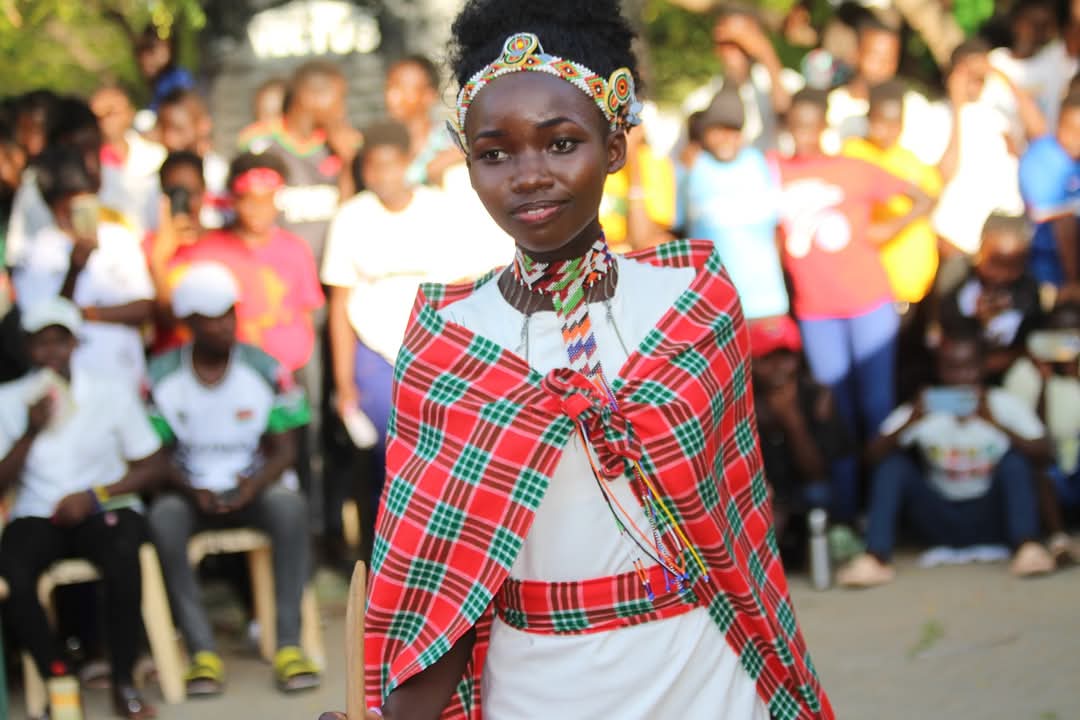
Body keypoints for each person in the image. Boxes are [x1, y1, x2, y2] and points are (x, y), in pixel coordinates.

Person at [345, 2, 831, 717]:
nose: (528, 175)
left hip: (704, 674)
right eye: (495, 152)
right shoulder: (447, 338)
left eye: (561, 142)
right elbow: (440, 586)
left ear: (614, 146)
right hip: (537, 686)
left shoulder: (692, 299)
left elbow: (731, 523)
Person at [146, 263, 320, 697]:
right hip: (190, 494)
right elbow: (156, 458)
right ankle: (201, 651)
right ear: (188, 324)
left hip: (253, 487)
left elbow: (285, 449)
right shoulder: (160, 376)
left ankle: (288, 645)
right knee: (163, 516)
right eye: (211, 317)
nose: (224, 325)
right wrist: (191, 490)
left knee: (289, 507)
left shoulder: (264, 367)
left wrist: (250, 487)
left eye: (229, 313)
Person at [0, 296, 165, 719]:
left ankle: (124, 679)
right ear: (27, 348)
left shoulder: (110, 391)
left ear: (75, 343)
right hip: (37, 512)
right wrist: (29, 430)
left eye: (60, 341)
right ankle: (58, 675)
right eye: (40, 343)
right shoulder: (9, 399)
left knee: (125, 556)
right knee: (13, 569)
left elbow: (151, 464)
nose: (51, 352)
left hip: (101, 506)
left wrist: (94, 497)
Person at [778, 88, 933, 524]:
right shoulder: (775, 171)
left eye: (812, 125)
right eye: (797, 125)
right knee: (836, 415)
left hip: (869, 305)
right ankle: (848, 516)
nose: (804, 134)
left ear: (825, 126)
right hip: (817, 312)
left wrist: (890, 229)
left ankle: (887, 513)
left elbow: (924, 198)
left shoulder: (855, 169)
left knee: (877, 409)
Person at [321, 121, 456, 542]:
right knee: (387, 457)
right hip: (374, 355)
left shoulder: (439, 208)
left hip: (435, 350)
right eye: (373, 168)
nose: (383, 176)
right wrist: (344, 383)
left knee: (439, 455)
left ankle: (438, 547)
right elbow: (340, 304)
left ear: (406, 163)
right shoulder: (352, 216)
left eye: (391, 165)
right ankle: (388, 550)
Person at [838, 326, 1055, 588]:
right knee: (894, 466)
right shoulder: (925, 407)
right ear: (939, 370)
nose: (961, 378)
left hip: (991, 515)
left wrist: (996, 424)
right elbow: (871, 458)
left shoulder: (1001, 404)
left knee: (1015, 463)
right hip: (939, 518)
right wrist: (911, 421)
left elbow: (1045, 453)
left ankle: (1028, 547)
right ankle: (875, 558)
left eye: (969, 368)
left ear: (983, 368)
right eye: (952, 369)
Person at [167, 152, 325, 376]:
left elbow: (307, 311)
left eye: (266, 200)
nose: (257, 210)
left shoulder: (296, 249)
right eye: (249, 200)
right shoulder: (206, 251)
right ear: (233, 199)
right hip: (232, 376)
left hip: (290, 372)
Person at [13, 144, 155, 389]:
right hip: (67, 386)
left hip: (122, 378)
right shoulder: (35, 254)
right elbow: (47, 326)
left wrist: (86, 314)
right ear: (53, 206)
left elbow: (143, 307)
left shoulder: (120, 238)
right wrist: (74, 270)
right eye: (69, 206)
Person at [679, 86, 787, 322]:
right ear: (704, 134)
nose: (726, 138)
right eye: (717, 130)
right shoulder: (691, 168)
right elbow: (678, 230)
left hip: (766, 302)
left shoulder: (761, 164)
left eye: (733, 131)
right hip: (712, 307)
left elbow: (779, 229)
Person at [238, 60, 358, 265]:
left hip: (328, 271)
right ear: (310, 97)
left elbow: (349, 216)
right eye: (339, 98)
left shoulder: (343, 143)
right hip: (275, 270)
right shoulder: (259, 142)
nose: (342, 109)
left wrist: (348, 163)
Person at [750, 316, 851, 552]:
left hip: (805, 498)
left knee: (819, 494)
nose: (778, 367)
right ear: (751, 362)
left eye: (785, 356)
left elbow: (817, 474)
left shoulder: (817, 397)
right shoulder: (741, 401)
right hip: (759, 497)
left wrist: (791, 419)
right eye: (767, 358)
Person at [932, 40, 1037, 262]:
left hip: (1004, 242)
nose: (974, 81)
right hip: (956, 240)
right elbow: (942, 174)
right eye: (966, 73)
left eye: (979, 76)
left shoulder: (999, 115)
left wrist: (1001, 74)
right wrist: (958, 105)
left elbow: (1042, 134)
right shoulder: (936, 114)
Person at [841, 80, 943, 307]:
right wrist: (916, 210)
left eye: (895, 123)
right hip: (877, 293)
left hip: (914, 293)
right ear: (868, 119)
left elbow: (934, 193)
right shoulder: (854, 154)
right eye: (881, 122)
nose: (888, 131)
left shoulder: (911, 161)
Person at [1003, 300, 1080, 560]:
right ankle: (1057, 538)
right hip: (1050, 470)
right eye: (1060, 334)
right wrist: (1045, 383)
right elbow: (1034, 435)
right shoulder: (1025, 372)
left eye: (1075, 334)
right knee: (1031, 461)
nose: (1068, 342)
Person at [826, 17, 946, 165]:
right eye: (875, 57)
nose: (883, 67)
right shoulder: (833, 106)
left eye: (890, 59)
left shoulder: (914, 106)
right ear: (855, 55)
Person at [940, 213, 1042, 384]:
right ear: (980, 251)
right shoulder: (957, 278)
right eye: (994, 263)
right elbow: (943, 335)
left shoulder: (1028, 291)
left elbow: (1031, 342)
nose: (1001, 276)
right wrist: (976, 320)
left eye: (1012, 266)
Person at [682, 6, 800, 153]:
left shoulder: (788, 82)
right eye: (727, 43)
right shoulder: (700, 100)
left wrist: (765, 53)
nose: (734, 50)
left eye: (743, 43)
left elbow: (789, 113)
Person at [144, 150, 208, 354]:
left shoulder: (223, 244)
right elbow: (166, 320)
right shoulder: (147, 247)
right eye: (176, 193)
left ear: (205, 192)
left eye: (193, 193)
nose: (186, 203)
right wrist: (159, 260)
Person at [1019, 91, 1080, 289]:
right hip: (1049, 275)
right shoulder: (1041, 158)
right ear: (1058, 122)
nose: (1075, 139)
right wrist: (1073, 283)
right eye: (1070, 129)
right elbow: (1063, 225)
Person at [988, 0, 1076, 132]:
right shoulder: (995, 61)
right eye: (1032, 23)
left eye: (1044, 25)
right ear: (1016, 23)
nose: (1038, 31)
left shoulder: (1057, 59)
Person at [90, 86, 166, 235]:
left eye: (111, 112)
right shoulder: (88, 164)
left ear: (130, 113)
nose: (104, 120)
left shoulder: (156, 156)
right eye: (97, 116)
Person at [155, 89, 230, 230]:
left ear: (203, 125)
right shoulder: (151, 179)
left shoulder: (224, 178)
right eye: (163, 129)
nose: (169, 139)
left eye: (178, 129)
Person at [384, 55, 463, 187]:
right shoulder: (382, 146)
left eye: (402, 89)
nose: (391, 96)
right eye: (389, 87)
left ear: (429, 96)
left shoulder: (451, 143)